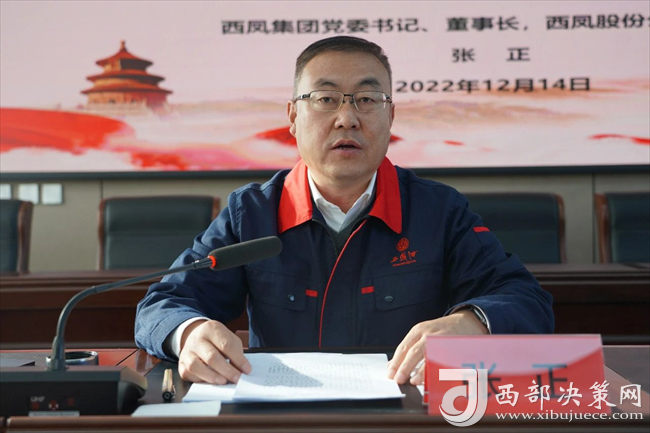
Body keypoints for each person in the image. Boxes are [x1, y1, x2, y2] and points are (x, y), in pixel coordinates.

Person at [135, 36, 553, 387]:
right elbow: (162, 305)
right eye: (325, 99)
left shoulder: (439, 211)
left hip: (405, 414)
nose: (347, 118)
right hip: (281, 418)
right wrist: (189, 333)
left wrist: (471, 323)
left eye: (367, 99)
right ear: (293, 116)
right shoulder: (253, 212)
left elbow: (527, 300)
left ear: (391, 116)